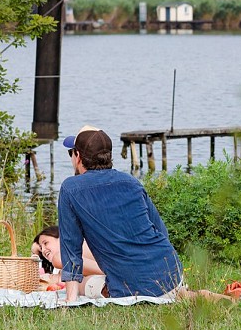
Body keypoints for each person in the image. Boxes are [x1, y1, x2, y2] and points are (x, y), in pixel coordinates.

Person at [58, 125, 186, 302]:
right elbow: (161, 232)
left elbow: (70, 245)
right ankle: (182, 293)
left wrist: (70, 299)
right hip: (171, 274)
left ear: (78, 156)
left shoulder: (70, 188)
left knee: (85, 284)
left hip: (131, 287)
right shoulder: (131, 182)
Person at [32, 224, 230, 301]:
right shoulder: (83, 240)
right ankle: (222, 298)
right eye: (41, 252)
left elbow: (100, 269)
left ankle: (215, 298)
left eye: (45, 243)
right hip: (150, 270)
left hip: (121, 282)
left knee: (83, 284)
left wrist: (60, 277)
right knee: (178, 296)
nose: (45, 251)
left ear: (58, 235)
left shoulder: (65, 254)